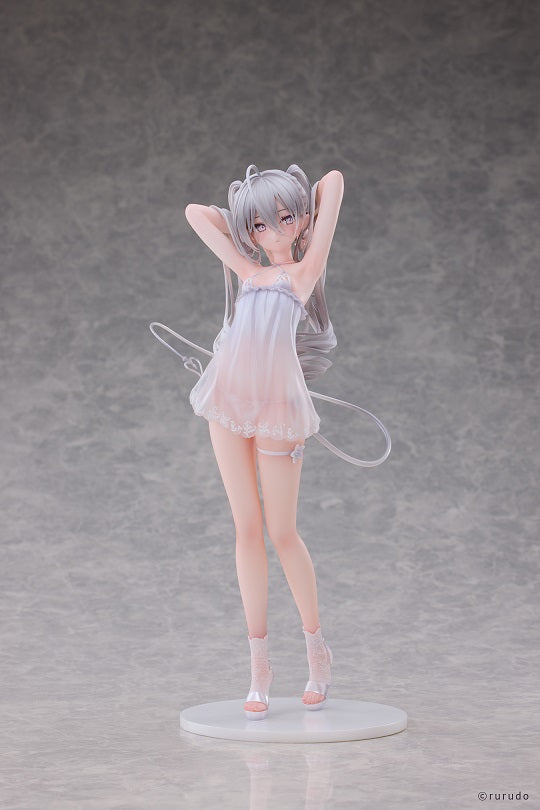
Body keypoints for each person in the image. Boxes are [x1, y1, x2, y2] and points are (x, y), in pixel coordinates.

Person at [184, 164, 344, 720]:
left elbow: (332, 181)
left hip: (278, 407)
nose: (272, 231)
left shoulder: (303, 273)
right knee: (245, 530)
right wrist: (242, 241)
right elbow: (196, 214)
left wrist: (306, 210)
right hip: (228, 400)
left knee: (282, 531)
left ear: (300, 220)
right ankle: (259, 666)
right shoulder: (248, 273)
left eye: (283, 218)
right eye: (258, 224)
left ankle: (317, 651)